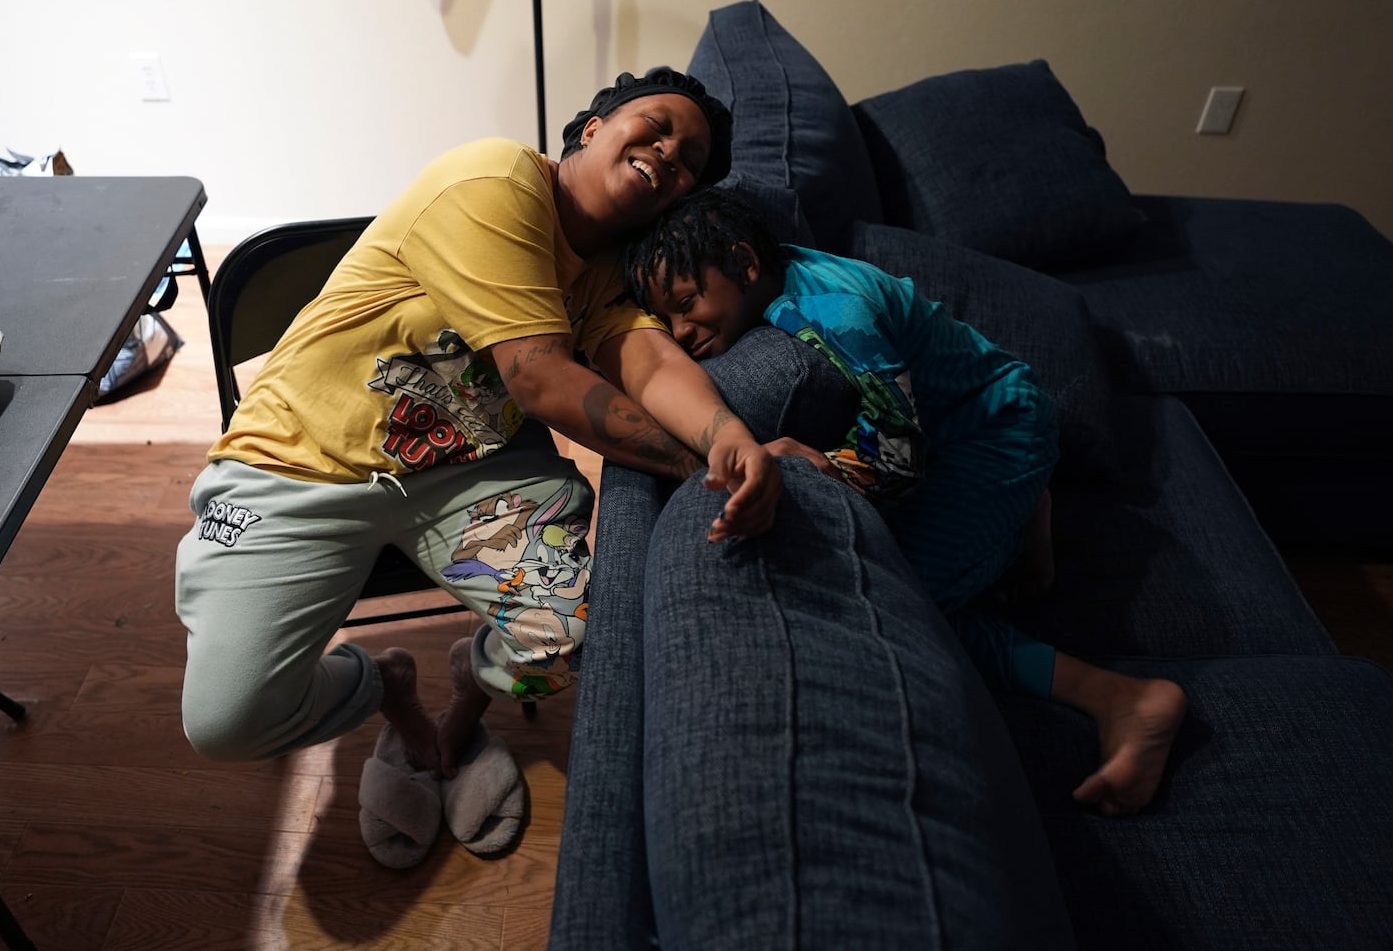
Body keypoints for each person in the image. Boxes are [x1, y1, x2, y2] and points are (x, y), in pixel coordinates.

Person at [175, 69, 782, 793]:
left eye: (689, 160)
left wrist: (728, 437)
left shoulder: (616, 272)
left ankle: (469, 690)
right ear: (595, 125)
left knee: (576, 636)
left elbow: (647, 358)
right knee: (224, 723)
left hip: (471, 471)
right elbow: (538, 376)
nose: (669, 152)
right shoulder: (493, 178)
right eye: (658, 123)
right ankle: (388, 688)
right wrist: (696, 463)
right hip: (296, 461)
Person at [624, 187, 1187, 816]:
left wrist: (817, 464)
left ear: (743, 264)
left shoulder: (832, 313)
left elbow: (899, 458)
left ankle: (1121, 697)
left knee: (907, 612)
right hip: (970, 414)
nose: (681, 332)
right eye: (665, 319)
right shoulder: (785, 270)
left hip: (996, 434)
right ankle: (1024, 514)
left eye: (686, 305)